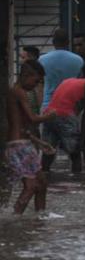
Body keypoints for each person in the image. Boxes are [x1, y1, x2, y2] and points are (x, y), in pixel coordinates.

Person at [7, 60, 56, 214]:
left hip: (23, 142)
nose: (36, 85)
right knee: (31, 186)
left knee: (42, 183)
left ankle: (40, 217)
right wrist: (50, 116)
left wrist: (39, 142)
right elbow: (32, 119)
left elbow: (23, 125)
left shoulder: (16, 92)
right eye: (36, 81)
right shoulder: (18, 92)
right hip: (19, 145)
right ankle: (15, 220)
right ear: (27, 75)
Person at [42, 61, 85, 174]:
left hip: (48, 115)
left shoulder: (67, 81)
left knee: (48, 150)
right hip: (65, 117)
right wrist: (83, 137)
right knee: (75, 152)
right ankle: (77, 180)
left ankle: (44, 177)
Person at [39, 29, 84, 111]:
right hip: (70, 105)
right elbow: (81, 83)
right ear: (68, 42)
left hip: (48, 104)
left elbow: (39, 84)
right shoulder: (78, 60)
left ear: (53, 42)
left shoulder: (42, 59)